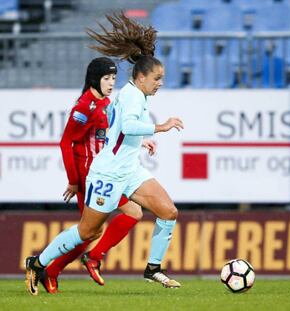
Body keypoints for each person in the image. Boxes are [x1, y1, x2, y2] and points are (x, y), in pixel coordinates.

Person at [25, 14, 184, 296]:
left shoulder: (136, 94)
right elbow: (127, 125)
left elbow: (117, 128)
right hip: (107, 173)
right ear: (142, 77)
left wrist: (141, 140)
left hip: (129, 169)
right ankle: (39, 262)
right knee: (87, 232)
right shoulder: (131, 95)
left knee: (168, 212)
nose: (161, 83)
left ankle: (153, 268)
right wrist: (160, 127)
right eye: (157, 78)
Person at [38, 56, 158, 294]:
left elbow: (111, 134)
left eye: (114, 77)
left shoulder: (106, 101)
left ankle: (85, 259)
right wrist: (73, 180)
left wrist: (141, 142)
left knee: (129, 215)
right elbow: (66, 143)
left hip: (110, 172)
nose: (111, 82)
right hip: (90, 176)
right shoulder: (84, 107)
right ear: (95, 79)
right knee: (88, 232)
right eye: (106, 78)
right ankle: (48, 269)